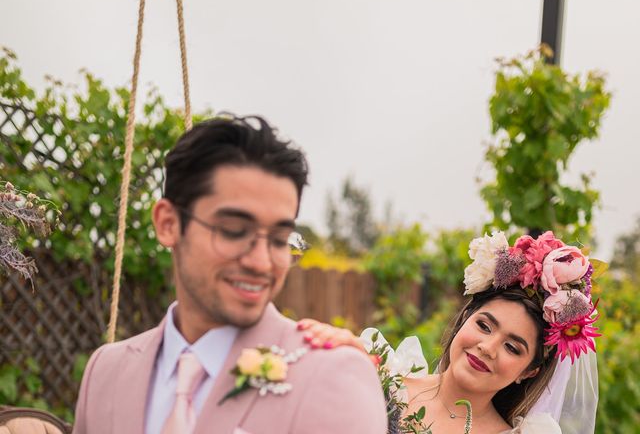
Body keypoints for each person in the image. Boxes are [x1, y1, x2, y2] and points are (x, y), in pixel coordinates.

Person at [73, 115, 387, 434]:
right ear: (168, 223)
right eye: (234, 231)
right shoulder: (105, 371)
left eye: (279, 239)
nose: (261, 263)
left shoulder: (334, 377)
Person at [299, 231, 600, 433]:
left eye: (513, 347)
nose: (487, 347)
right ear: (463, 319)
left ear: (530, 371)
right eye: (484, 326)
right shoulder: (379, 382)